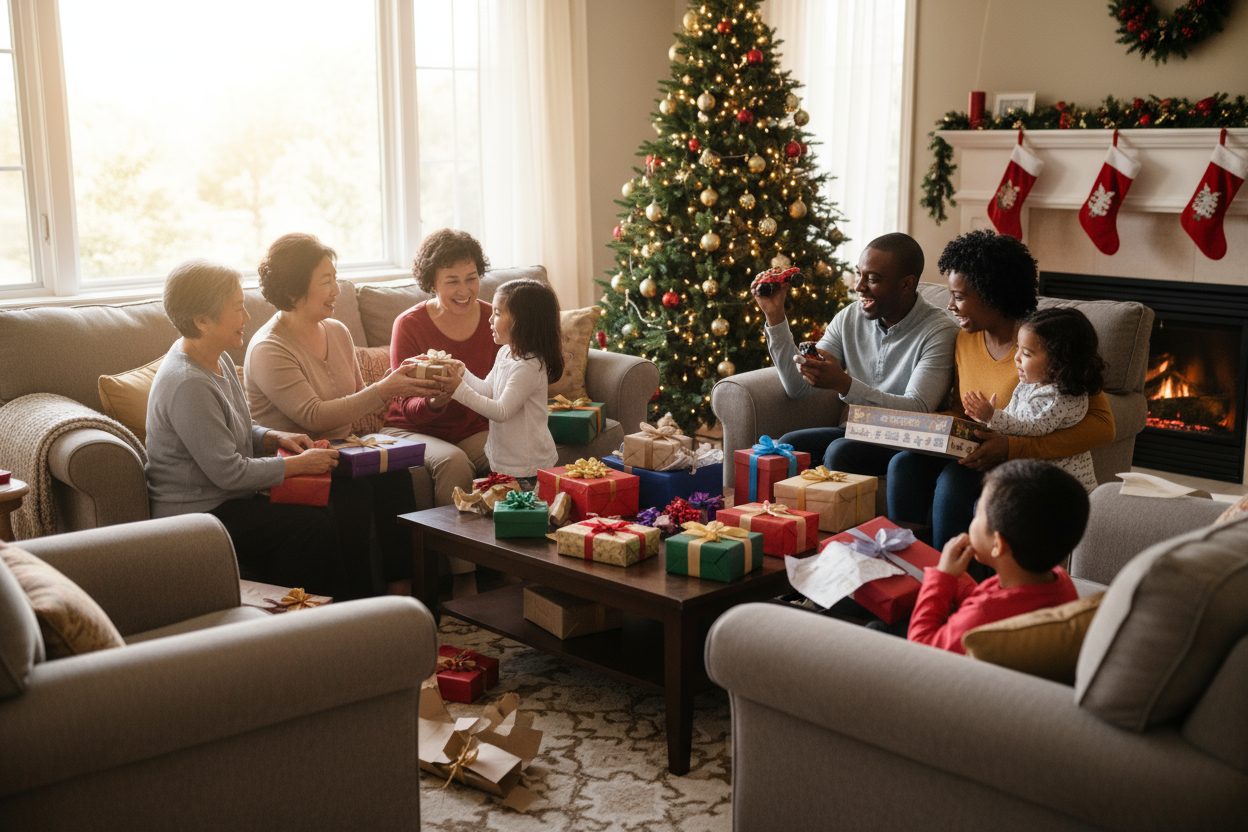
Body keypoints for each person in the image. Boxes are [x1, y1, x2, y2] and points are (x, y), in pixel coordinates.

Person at [888, 230, 1115, 551]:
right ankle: (908, 566)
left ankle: (954, 581)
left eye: (960, 296)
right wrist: (935, 428)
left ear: (994, 293)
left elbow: (1104, 426)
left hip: (1018, 462)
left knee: (954, 482)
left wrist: (1011, 447)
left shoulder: (1047, 344)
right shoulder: (965, 339)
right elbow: (961, 407)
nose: (950, 306)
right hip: (975, 451)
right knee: (904, 464)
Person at [245, 233, 433, 597]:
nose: (337, 290)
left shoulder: (338, 331)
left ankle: (402, 596)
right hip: (298, 462)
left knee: (396, 476)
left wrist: (414, 382)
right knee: (354, 494)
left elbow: (358, 406)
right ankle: (356, 606)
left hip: (343, 452)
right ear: (296, 288)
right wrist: (385, 389)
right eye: (326, 281)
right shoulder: (269, 348)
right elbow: (316, 417)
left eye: (336, 278)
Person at [145, 258, 343, 597]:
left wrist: (274, 438)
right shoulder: (188, 384)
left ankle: (345, 614)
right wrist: (297, 465)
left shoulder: (217, 356)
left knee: (336, 497)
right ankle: (288, 623)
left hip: (225, 499)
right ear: (202, 321)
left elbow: (240, 426)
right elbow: (229, 473)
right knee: (310, 526)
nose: (247, 318)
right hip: (197, 514)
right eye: (238, 309)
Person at [756, 232, 959, 476]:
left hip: (908, 440)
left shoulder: (940, 331)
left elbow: (917, 410)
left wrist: (845, 385)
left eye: (872, 279)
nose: (859, 286)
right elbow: (797, 388)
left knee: (840, 451)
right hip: (860, 431)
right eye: (859, 274)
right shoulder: (849, 318)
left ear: (907, 284)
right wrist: (775, 315)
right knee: (791, 445)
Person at [907, 460, 1084, 653]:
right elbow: (998, 598)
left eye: (978, 515)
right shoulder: (1060, 580)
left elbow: (920, 646)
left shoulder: (982, 616)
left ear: (998, 545)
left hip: (940, 668)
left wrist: (942, 578)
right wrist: (958, 580)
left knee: (878, 627)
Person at [962, 307, 1105, 492]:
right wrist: (988, 420)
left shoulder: (1058, 396)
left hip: (1060, 489)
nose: (1016, 358)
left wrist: (993, 417)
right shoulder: (1030, 383)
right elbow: (1015, 414)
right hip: (1036, 478)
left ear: (1058, 363)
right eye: (1018, 349)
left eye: (1027, 354)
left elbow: (1029, 426)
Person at [439, 278, 563, 489]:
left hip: (528, 468)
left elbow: (501, 411)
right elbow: (488, 391)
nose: (490, 320)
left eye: (497, 313)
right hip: (505, 462)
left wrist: (458, 390)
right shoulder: (506, 353)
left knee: (522, 519)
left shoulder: (529, 366)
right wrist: (462, 372)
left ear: (522, 322)